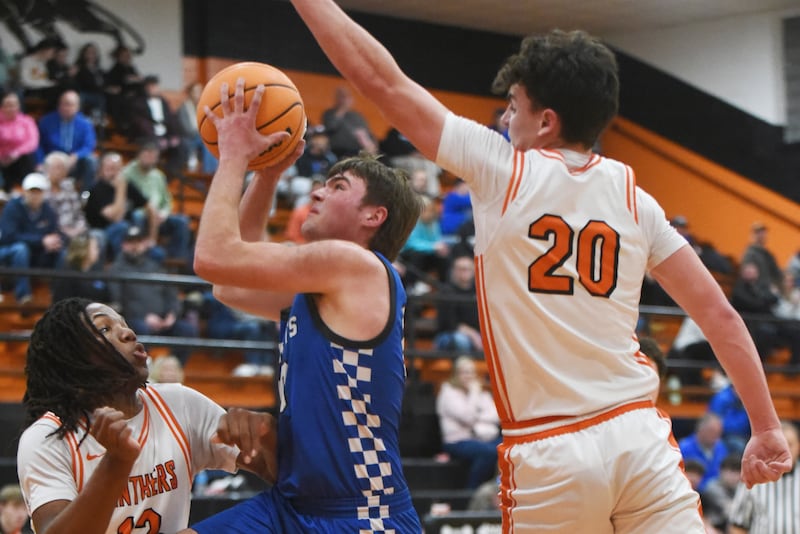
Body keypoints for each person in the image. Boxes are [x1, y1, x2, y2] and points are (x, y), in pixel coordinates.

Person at [288, 3, 792, 531]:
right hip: (638, 438)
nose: (505, 120)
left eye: (512, 107)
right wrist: (766, 426)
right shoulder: (637, 200)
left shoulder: (500, 169)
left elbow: (379, 80)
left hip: (549, 450)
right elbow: (721, 317)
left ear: (546, 122)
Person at [185, 78, 423, 532]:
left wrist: (234, 155)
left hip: (363, 514)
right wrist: (268, 173)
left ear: (374, 216)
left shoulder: (355, 265)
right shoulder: (322, 286)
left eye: (337, 186)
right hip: (291, 503)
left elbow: (212, 256)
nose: (317, 192)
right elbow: (225, 283)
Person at [16, 297, 276, 533]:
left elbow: (285, 476)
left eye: (124, 324)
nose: (128, 332)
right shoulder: (46, 437)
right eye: (105, 329)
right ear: (70, 357)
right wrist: (116, 463)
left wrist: (266, 437)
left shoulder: (179, 402)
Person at [108, 226, 199, 364]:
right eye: (130, 242)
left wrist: (172, 314)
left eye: (138, 242)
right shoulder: (116, 269)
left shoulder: (155, 267)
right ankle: (143, 368)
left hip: (163, 320)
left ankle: (173, 368)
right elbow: (118, 301)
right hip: (135, 320)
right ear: (123, 245)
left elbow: (171, 293)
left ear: (144, 244)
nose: (135, 246)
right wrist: (144, 317)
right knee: (139, 329)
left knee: (187, 330)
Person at [436, 356, 500, 490]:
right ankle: (471, 491)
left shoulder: (480, 393)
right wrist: (474, 394)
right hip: (456, 442)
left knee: (507, 445)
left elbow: (495, 416)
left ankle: (499, 489)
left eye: (471, 372)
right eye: (464, 372)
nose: (468, 376)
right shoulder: (448, 393)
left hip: (480, 438)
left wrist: (476, 422)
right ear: (456, 374)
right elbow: (467, 417)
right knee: (489, 452)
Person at [0, 172, 63, 303]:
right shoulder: (12, 207)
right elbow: (9, 237)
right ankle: (23, 295)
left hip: (36, 253)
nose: (35, 195)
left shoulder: (48, 211)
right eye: (31, 191)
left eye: (38, 191)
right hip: (9, 251)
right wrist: (41, 240)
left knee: (61, 251)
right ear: (24, 192)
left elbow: (51, 235)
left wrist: (54, 242)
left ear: (44, 193)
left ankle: (58, 295)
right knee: (21, 249)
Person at [728, 420, 800, 534]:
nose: (786, 450)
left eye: (790, 444)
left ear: (798, 446)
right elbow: (738, 525)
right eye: (781, 445)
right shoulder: (754, 476)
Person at [36, 90, 97, 192]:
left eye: (70, 105)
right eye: (64, 104)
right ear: (59, 105)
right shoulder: (46, 121)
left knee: (91, 160)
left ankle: (85, 195)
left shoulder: (85, 123)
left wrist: (76, 155)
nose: (67, 108)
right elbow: (39, 144)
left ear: (77, 107)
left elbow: (89, 145)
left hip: (74, 161)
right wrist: (40, 161)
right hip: (51, 158)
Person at [434, 254, 482, 353]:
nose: (464, 272)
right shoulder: (446, 292)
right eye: (460, 269)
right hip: (448, 335)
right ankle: (462, 365)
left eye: (467, 269)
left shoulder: (479, 292)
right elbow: (450, 324)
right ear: (454, 271)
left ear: (473, 271)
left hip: (476, 335)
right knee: (461, 340)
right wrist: (472, 334)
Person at [49, 232, 110, 303]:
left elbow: (106, 296)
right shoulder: (67, 275)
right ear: (84, 251)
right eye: (95, 248)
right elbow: (62, 304)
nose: (98, 251)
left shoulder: (96, 271)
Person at [321, 86, 377, 158]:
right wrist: (342, 109)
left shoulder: (357, 116)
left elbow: (367, 133)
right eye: (342, 97)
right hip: (338, 152)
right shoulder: (329, 113)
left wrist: (372, 145)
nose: (345, 100)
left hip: (358, 152)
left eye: (347, 97)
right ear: (336, 98)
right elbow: (331, 127)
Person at [679, 412, 729, 492]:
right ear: (700, 429)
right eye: (711, 431)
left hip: (716, 492)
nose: (715, 435)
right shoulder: (683, 448)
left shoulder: (721, 447)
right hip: (692, 490)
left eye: (718, 432)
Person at [0, 91, 39, 193]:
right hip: (2, 159)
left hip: (20, 158)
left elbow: (32, 142)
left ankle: (28, 190)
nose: (10, 108)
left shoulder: (27, 121)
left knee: (27, 158)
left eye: (13, 105)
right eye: (7, 105)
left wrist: (16, 153)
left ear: (19, 106)